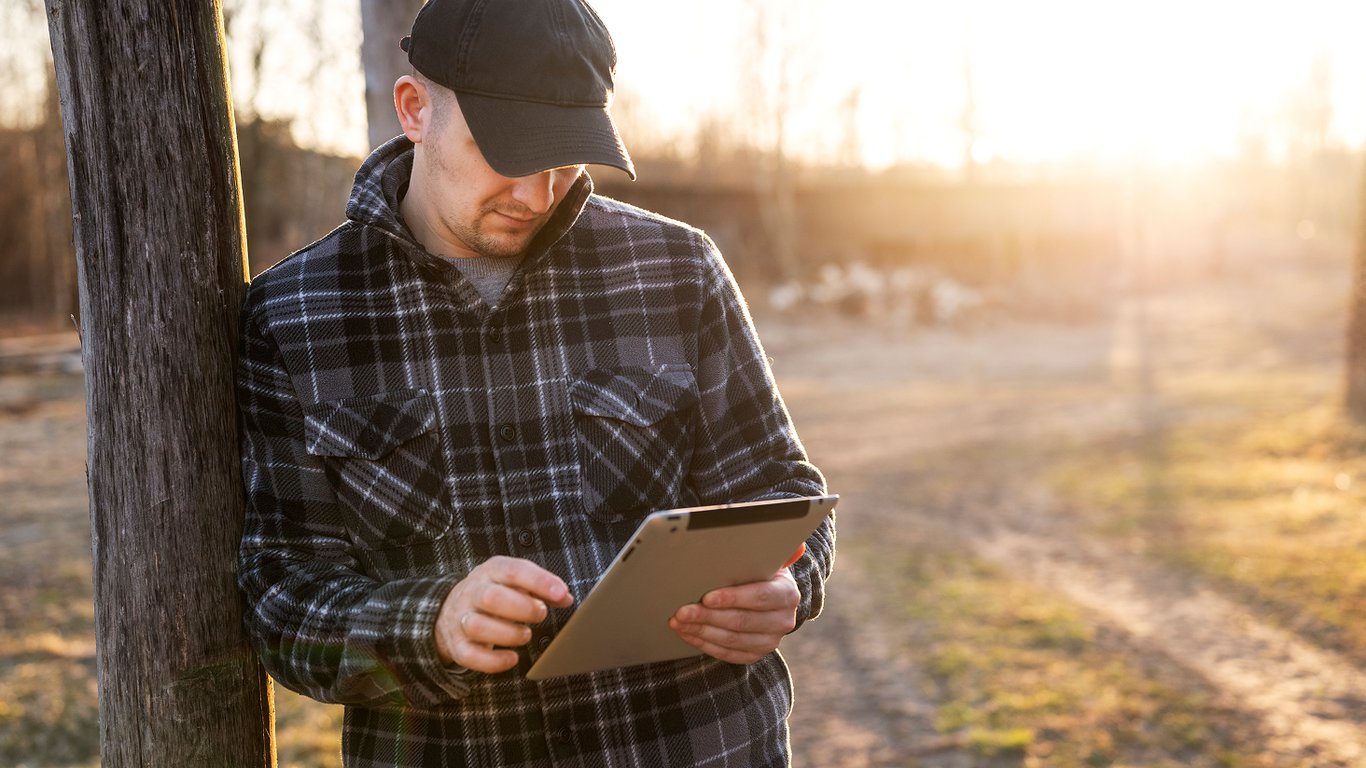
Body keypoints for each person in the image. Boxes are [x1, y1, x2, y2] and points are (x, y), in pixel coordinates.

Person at [235, 0, 834, 765]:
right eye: (509, 153)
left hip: (702, 743)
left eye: (565, 157)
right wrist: (432, 622)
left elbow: (784, 494)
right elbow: (281, 594)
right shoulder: (292, 317)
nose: (537, 194)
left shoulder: (677, 271)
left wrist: (789, 584)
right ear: (414, 110)